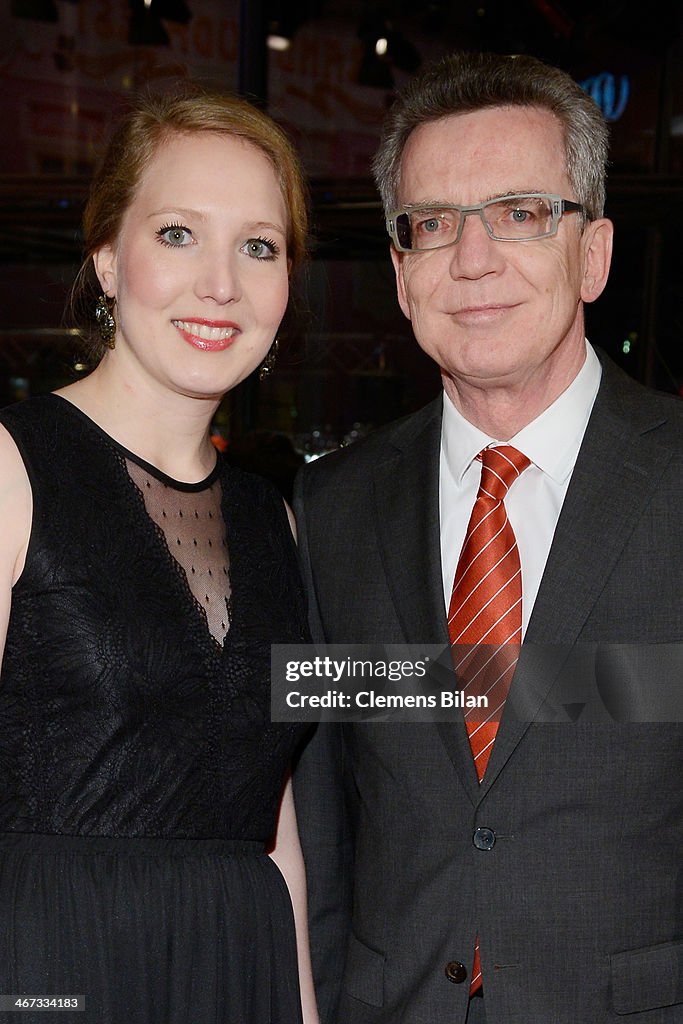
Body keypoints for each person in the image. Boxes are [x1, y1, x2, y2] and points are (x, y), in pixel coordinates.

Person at [293, 51, 683, 1024]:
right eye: (431, 225)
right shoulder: (327, 509)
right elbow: (323, 807)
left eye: (517, 213)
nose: (471, 260)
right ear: (397, 269)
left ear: (590, 252)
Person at [0, 89, 318, 1024]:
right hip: (52, 975)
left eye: (258, 246)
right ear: (107, 257)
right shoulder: (14, 470)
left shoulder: (274, 521)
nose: (220, 282)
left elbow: (276, 823)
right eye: (179, 233)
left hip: (238, 971)